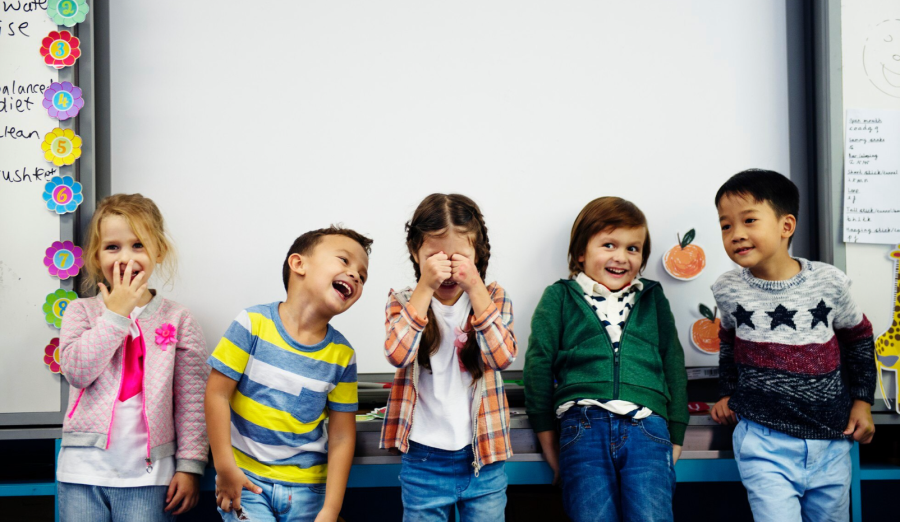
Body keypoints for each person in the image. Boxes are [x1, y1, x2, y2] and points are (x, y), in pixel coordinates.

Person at [710, 169, 876, 522]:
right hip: (762, 441)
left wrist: (863, 402)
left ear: (786, 225)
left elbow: (859, 338)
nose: (736, 234)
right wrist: (726, 392)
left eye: (749, 220)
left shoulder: (829, 282)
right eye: (725, 225)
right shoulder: (727, 288)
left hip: (831, 440)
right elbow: (728, 341)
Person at [525, 196, 688, 522]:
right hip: (582, 428)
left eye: (633, 248)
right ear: (580, 253)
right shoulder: (559, 297)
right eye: (609, 245)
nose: (621, 257)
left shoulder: (652, 297)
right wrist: (549, 445)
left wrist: (677, 435)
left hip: (648, 429)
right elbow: (538, 366)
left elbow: (673, 362)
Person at [58, 193, 209, 521]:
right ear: (96, 256)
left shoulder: (178, 319)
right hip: (82, 472)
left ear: (159, 251)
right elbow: (77, 372)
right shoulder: (80, 312)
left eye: (138, 245)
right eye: (112, 247)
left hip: (150, 478)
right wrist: (116, 314)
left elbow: (192, 402)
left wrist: (190, 466)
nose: (125, 257)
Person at [206, 226, 371, 522]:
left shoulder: (343, 355)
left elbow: (342, 436)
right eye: (344, 260)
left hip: (308, 491)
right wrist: (225, 468)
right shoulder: (252, 324)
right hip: (246, 482)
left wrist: (330, 510)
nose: (356, 275)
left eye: (362, 275)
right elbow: (216, 394)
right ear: (298, 264)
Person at [380, 193, 517, 521]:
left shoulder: (493, 298)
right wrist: (425, 287)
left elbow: (502, 358)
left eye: (459, 258)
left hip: (483, 455)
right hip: (423, 460)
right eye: (434, 257)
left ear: (476, 254)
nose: (448, 269)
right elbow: (397, 355)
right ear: (415, 253)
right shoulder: (403, 301)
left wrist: (476, 289)